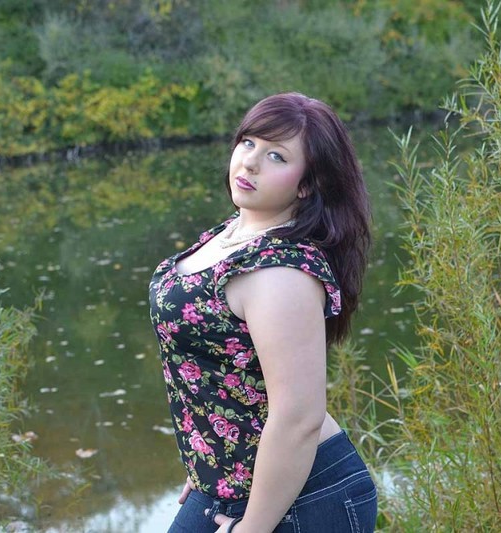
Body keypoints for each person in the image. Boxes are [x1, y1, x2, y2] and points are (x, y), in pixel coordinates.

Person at [149, 92, 375, 532]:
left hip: (303, 497)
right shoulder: (236, 232)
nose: (250, 162)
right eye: (248, 142)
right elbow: (222, 363)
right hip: (231, 480)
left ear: (307, 184)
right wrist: (208, 453)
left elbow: (298, 418)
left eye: (276, 156)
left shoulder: (280, 272)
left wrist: (252, 528)